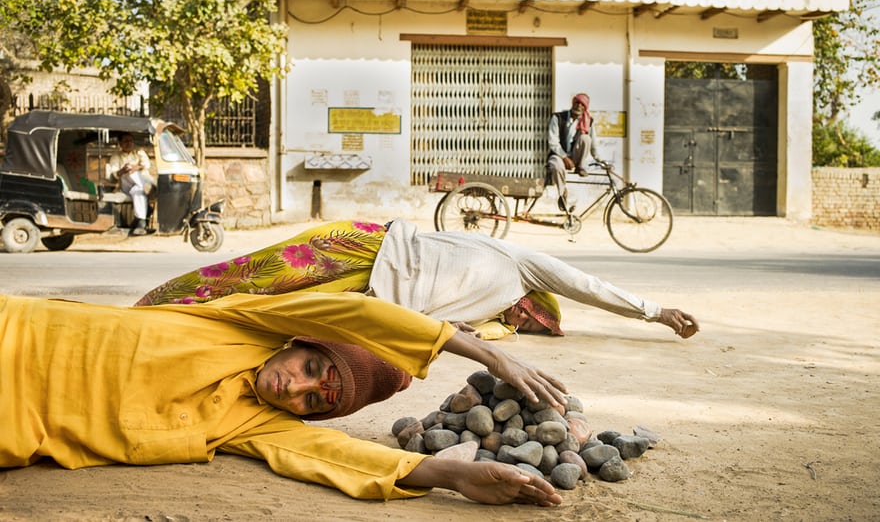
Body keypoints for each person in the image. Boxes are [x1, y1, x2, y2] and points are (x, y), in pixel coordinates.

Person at [0, 290, 565, 506]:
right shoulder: (244, 322)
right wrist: (482, 352)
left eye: (316, 401)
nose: (295, 388)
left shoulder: (253, 426)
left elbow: (334, 457)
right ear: (300, 341)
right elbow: (354, 312)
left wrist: (447, 475)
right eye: (312, 367)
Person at [135, 219, 699, 340]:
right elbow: (586, 283)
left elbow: (465, 333)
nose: (524, 322)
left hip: (372, 292)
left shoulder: (488, 319)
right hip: (368, 242)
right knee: (245, 275)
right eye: (534, 317)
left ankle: (172, 325)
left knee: (260, 313)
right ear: (536, 303)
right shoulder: (523, 264)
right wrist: (655, 310)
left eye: (529, 326)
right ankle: (151, 306)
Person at [547, 93, 600, 212]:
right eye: (577, 103)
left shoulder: (588, 121)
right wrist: (565, 157)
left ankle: (580, 166)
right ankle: (562, 194)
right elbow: (553, 141)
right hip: (558, 155)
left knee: (586, 138)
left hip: (575, 158)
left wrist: (600, 160)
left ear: (585, 108)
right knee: (556, 166)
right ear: (573, 103)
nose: (579, 106)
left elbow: (593, 145)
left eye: (582, 104)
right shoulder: (558, 117)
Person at [105, 131, 155, 235]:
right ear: (120, 144)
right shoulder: (116, 156)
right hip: (125, 185)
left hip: (140, 183)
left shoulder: (139, 152)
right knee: (129, 171)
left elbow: (146, 165)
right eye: (126, 141)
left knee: (137, 191)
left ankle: (141, 223)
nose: (129, 144)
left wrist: (136, 167)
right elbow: (114, 174)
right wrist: (124, 170)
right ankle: (148, 190)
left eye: (131, 141)